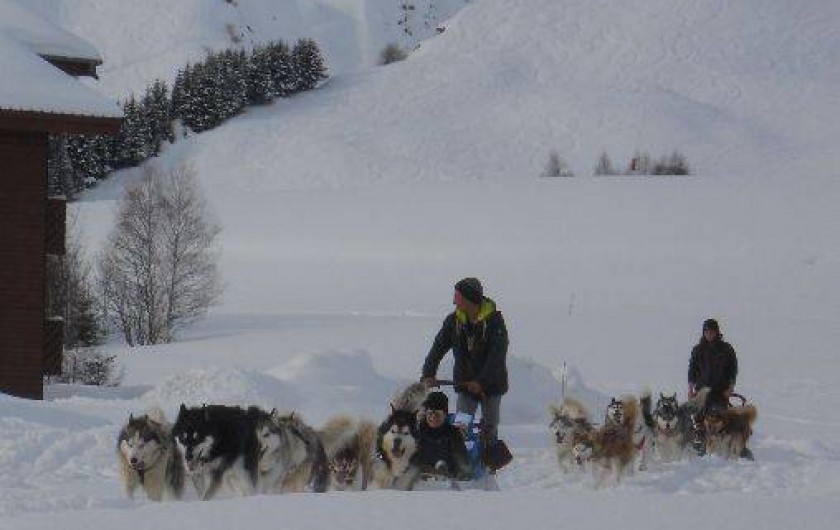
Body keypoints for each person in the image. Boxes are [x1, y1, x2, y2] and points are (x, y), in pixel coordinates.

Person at [421, 277, 509, 445]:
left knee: (489, 428)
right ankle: (462, 463)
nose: (454, 300)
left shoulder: (495, 322)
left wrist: (481, 382)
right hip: (464, 383)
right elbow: (438, 348)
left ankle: (487, 464)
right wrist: (428, 373)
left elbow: (496, 357)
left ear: (469, 298)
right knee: (461, 426)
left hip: (491, 384)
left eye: (458, 296)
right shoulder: (453, 321)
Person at [687, 318, 752, 459]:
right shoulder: (698, 350)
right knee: (699, 418)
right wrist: (690, 388)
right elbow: (692, 370)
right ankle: (701, 445)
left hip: (720, 391)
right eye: (707, 332)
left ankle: (736, 447)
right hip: (702, 391)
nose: (709, 334)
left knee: (720, 418)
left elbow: (733, 369)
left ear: (717, 332)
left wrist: (731, 387)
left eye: (711, 331)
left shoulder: (726, 349)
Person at [411, 391, 470, 478]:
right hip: (420, 478)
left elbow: (461, 458)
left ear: (445, 415)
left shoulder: (452, 433)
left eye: (437, 414)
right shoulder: (418, 431)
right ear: (426, 414)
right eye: (430, 413)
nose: (433, 418)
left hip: (447, 478)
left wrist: (462, 472)